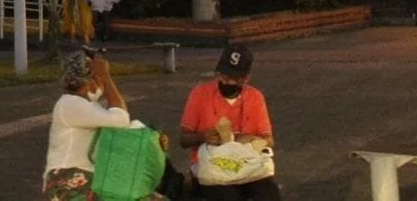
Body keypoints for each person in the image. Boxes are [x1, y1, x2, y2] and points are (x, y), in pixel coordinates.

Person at [44, 49, 166, 200]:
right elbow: (121, 119)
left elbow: (121, 130)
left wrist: (153, 141)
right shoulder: (70, 104)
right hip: (68, 180)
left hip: (89, 177)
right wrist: (106, 77)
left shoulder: (88, 107)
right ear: (92, 79)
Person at [179, 45, 280, 200]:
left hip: (247, 166)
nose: (225, 81)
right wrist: (203, 137)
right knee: (226, 196)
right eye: (222, 75)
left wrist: (252, 141)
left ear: (245, 78)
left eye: (231, 78)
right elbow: (183, 139)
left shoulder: (255, 97)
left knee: (270, 193)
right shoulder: (200, 93)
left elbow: (268, 140)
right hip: (212, 167)